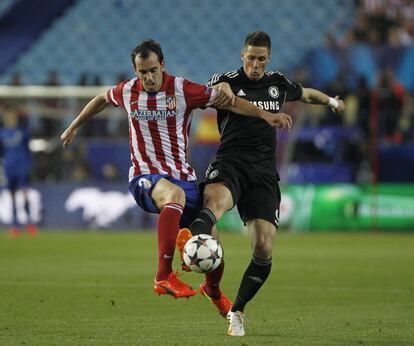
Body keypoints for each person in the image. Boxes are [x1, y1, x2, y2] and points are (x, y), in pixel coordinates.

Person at [60, 40, 292, 313]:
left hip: (183, 177)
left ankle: (213, 291)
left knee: (211, 245)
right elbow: (101, 99)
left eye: (152, 70)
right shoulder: (127, 91)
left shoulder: (183, 89)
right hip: (145, 177)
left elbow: (230, 102)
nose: (147, 77)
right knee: (174, 195)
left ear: (163, 66)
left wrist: (266, 115)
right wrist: (74, 126)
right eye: (141, 72)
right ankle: (163, 275)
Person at [176, 31, 346, 336]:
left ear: (268, 59)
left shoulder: (278, 83)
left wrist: (332, 101)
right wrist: (222, 86)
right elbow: (215, 88)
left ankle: (237, 311)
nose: (255, 64)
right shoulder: (226, 79)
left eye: (261, 59)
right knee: (214, 205)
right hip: (230, 164)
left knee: (264, 246)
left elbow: (307, 94)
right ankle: (192, 247)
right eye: (251, 58)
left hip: (264, 174)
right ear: (243, 55)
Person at [0, 106, 37, 237]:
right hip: (8, 168)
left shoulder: (22, 132)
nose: (10, 118)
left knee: (25, 192)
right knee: (12, 195)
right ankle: (15, 224)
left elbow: (28, 150)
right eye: (8, 116)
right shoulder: (2, 133)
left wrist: (29, 164)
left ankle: (29, 223)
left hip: (21, 166)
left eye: (12, 116)